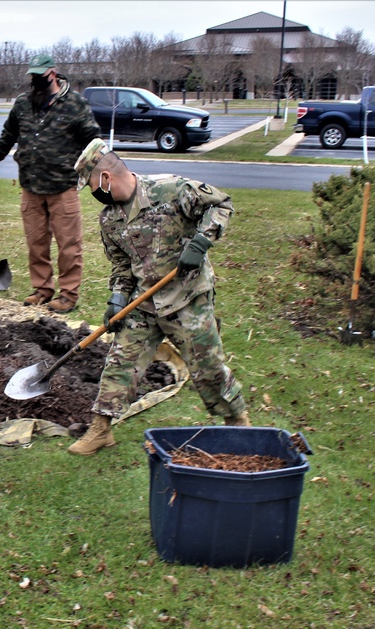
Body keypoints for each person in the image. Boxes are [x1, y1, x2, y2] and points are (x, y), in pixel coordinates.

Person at [67, 138, 251, 456]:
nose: (93, 195)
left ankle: (239, 422)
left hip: (187, 296)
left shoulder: (171, 190)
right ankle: (100, 430)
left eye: (92, 186)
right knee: (121, 361)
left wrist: (200, 243)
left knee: (207, 366)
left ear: (106, 179)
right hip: (145, 301)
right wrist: (117, 298)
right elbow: (122, 265)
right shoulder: (109, 220)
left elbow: (221, 203)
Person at [0, 53, 101, 315]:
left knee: (69, 245)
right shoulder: (23, 103)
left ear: (53, 73)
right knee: (36, 243)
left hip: (63, 188)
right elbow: (9, 135)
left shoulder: (74, 103)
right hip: (31, 187)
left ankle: (68, 295)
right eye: (33, 77)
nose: (36, 81)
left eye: (41, 76)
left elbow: (92, 140)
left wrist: (92, 173)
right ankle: (42, 290)